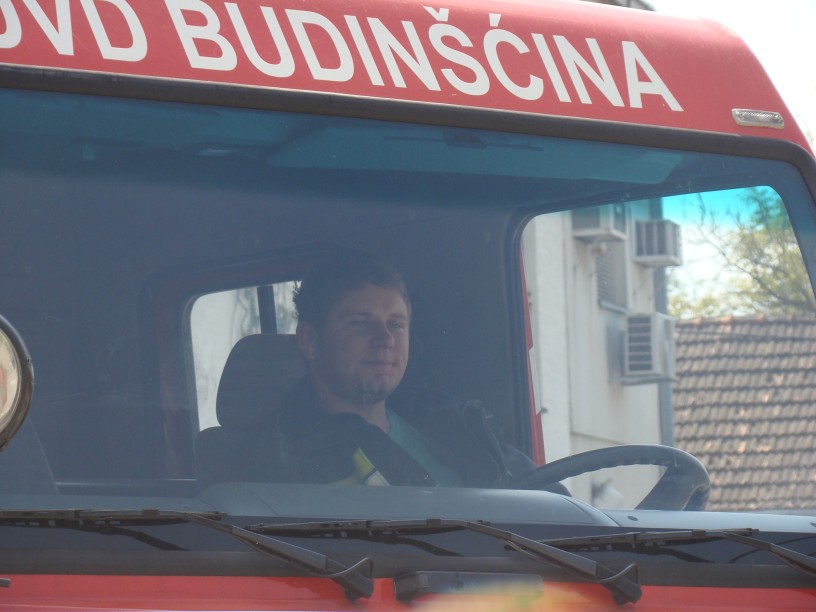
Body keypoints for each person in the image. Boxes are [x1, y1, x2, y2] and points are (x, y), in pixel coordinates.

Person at [279, 251, 536, 487]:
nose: (385, 339)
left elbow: (540, 492)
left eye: (395, 324)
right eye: (359, 323)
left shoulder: (448, 421)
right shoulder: (279, 459)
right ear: (310, 341)